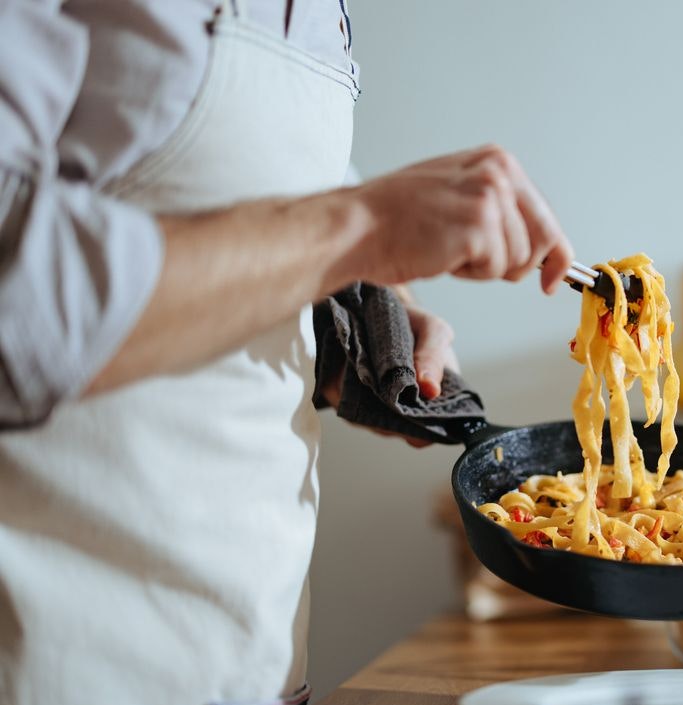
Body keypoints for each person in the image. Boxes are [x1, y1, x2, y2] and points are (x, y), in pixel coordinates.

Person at [0, 2, 573, 703]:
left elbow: (245, 241)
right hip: (59, 665)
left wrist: (365, 327)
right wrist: (367, 224)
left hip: (259, 667)